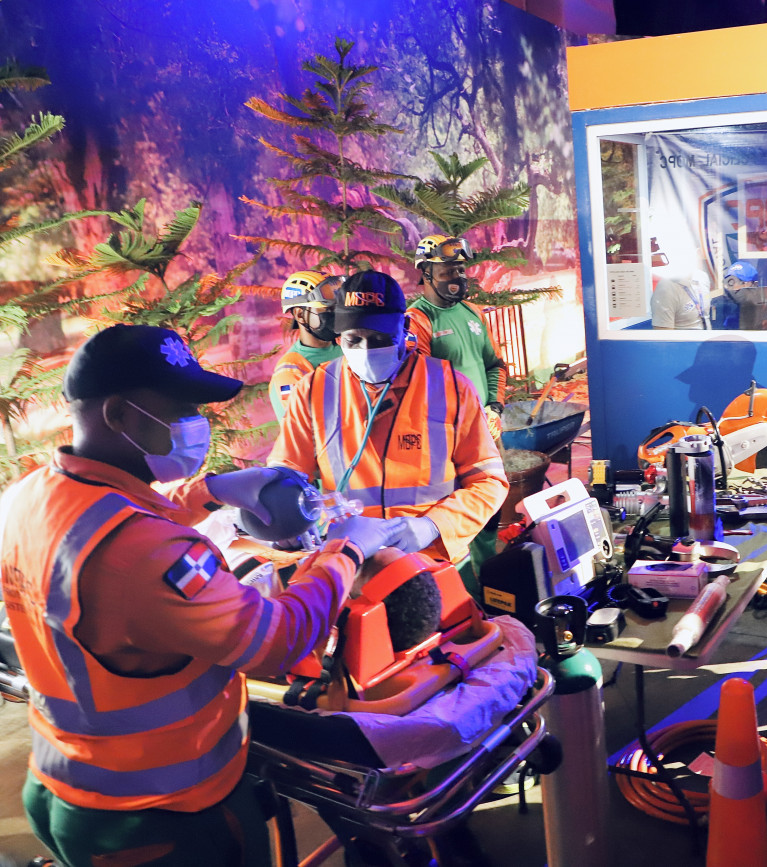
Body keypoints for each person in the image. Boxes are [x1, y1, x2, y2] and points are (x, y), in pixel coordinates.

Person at [0, 324, 396, 866]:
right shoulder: (147, 553)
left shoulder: (30, 495)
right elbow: (276, 640)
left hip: (65, 780)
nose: (196, 423)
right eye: (181, 408)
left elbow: (117, 522)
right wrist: (344, 552)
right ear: (117, 415)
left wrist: (210, 491)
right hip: (161, 814)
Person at [270, 270, 508, 586]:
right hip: (353, 567)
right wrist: (285, 517)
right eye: (354, 340)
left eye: (381, 339)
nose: (367, 351)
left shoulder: (450, 387)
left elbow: (489, 482)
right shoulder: (312, 391)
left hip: (435, 563)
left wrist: (434, 526)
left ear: (404, 328)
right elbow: (287, 476)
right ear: (338, 337)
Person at [407, 235, 508, 431]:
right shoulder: (417, 320)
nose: (457, 278)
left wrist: (494, 408)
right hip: (448, 432)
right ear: (426, 275)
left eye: (460, 270)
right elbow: (421, 384)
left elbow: (495, 364)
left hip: (485, 426)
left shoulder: (473, 312)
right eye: (447, 272)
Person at [269, 270, 342, 420]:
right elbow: (307, 427)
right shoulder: (290, 371)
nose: (337, 315)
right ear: (300, 314)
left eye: (338, 308)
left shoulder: (346, 347)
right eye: (328, 309)